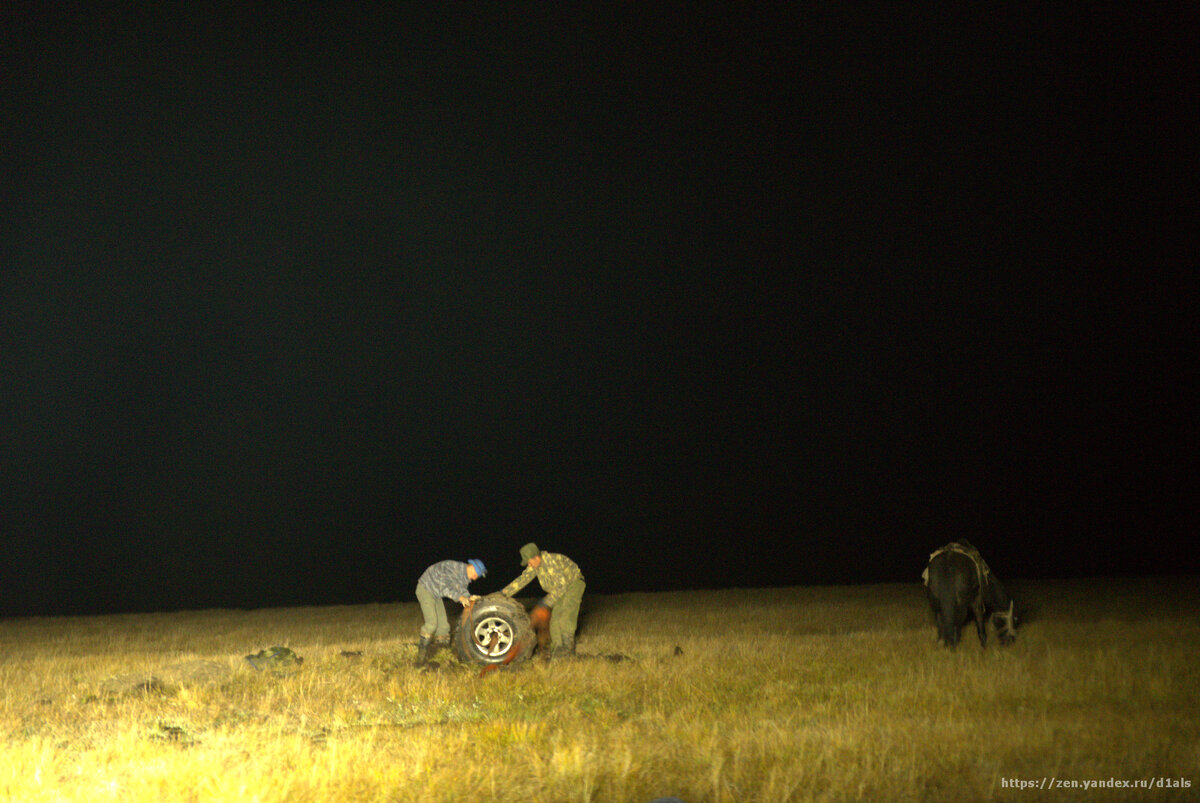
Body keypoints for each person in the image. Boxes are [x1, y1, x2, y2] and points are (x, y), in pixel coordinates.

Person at [500, 542, 585, 657]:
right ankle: (558, 650)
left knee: (566, 615)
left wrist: (545, 602)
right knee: (555, 619)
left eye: (529, 561)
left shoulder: (551, 561)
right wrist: (503, 593)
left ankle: (568, 649)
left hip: (573, 584)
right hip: (559, 591)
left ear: (536, 557)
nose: (529, 564)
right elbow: (522, 580)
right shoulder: (535, 565)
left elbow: (561, 586)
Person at [415, 559, 485, 664]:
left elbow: (461, 590)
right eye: (476, 575)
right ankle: (421, 657)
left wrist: (469, 598)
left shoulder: (464, 577)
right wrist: (460, 598)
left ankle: (441, 654)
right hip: (425, 589)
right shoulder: (451, 567)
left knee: (443, 627)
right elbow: (445, 588)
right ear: (471, 567)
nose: (475, 578)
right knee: (432, 623)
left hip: (436, 594)